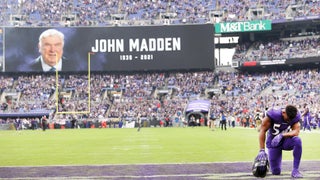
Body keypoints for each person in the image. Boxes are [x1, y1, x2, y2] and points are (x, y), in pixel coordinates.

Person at [258, 105, 303, 178]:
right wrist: (262, 149)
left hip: (285, 141)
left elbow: (296, 131)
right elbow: (262, 130)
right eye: (288, 119)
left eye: (290, 119)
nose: (289, 121)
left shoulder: (295, 115)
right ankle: (268, 162)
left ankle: (295, 170)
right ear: (283, 112)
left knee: (297, 140)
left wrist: (282, 135)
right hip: (273, 142)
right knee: (276, 172)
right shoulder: (273, 114)